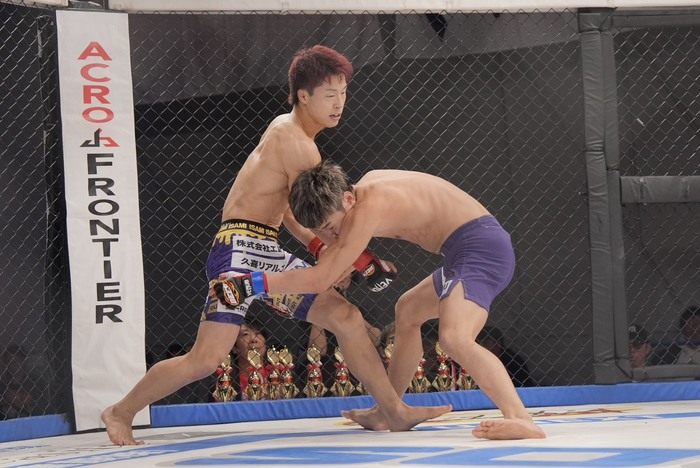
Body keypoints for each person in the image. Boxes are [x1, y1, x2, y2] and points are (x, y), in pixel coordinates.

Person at [101, 45, 449, 446]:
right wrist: (361, 260)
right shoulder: (297, 143)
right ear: (303, 95)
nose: (339, 103)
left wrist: (324, 250)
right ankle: (121, 411)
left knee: (346, 317)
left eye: (343, 93)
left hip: (263, 246)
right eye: (329, 94)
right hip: (238, 250)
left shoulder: (289, 131)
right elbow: (323, 216)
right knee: (206, 359)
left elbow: (291, 213)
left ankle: (392, 411)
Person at [212, 160, 545, 440]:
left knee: (454, 337)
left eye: (329, 226)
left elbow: (321, 279)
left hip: (480, 249)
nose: (329, 235)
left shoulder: (366, 209)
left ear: (347, 199)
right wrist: (357, 259)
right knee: (408, 310)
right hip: (464, 250)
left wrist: (252, 283)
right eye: (320, 230)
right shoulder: (360, 193)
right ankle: (388, 410)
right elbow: (325, 237)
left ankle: (521, 419)